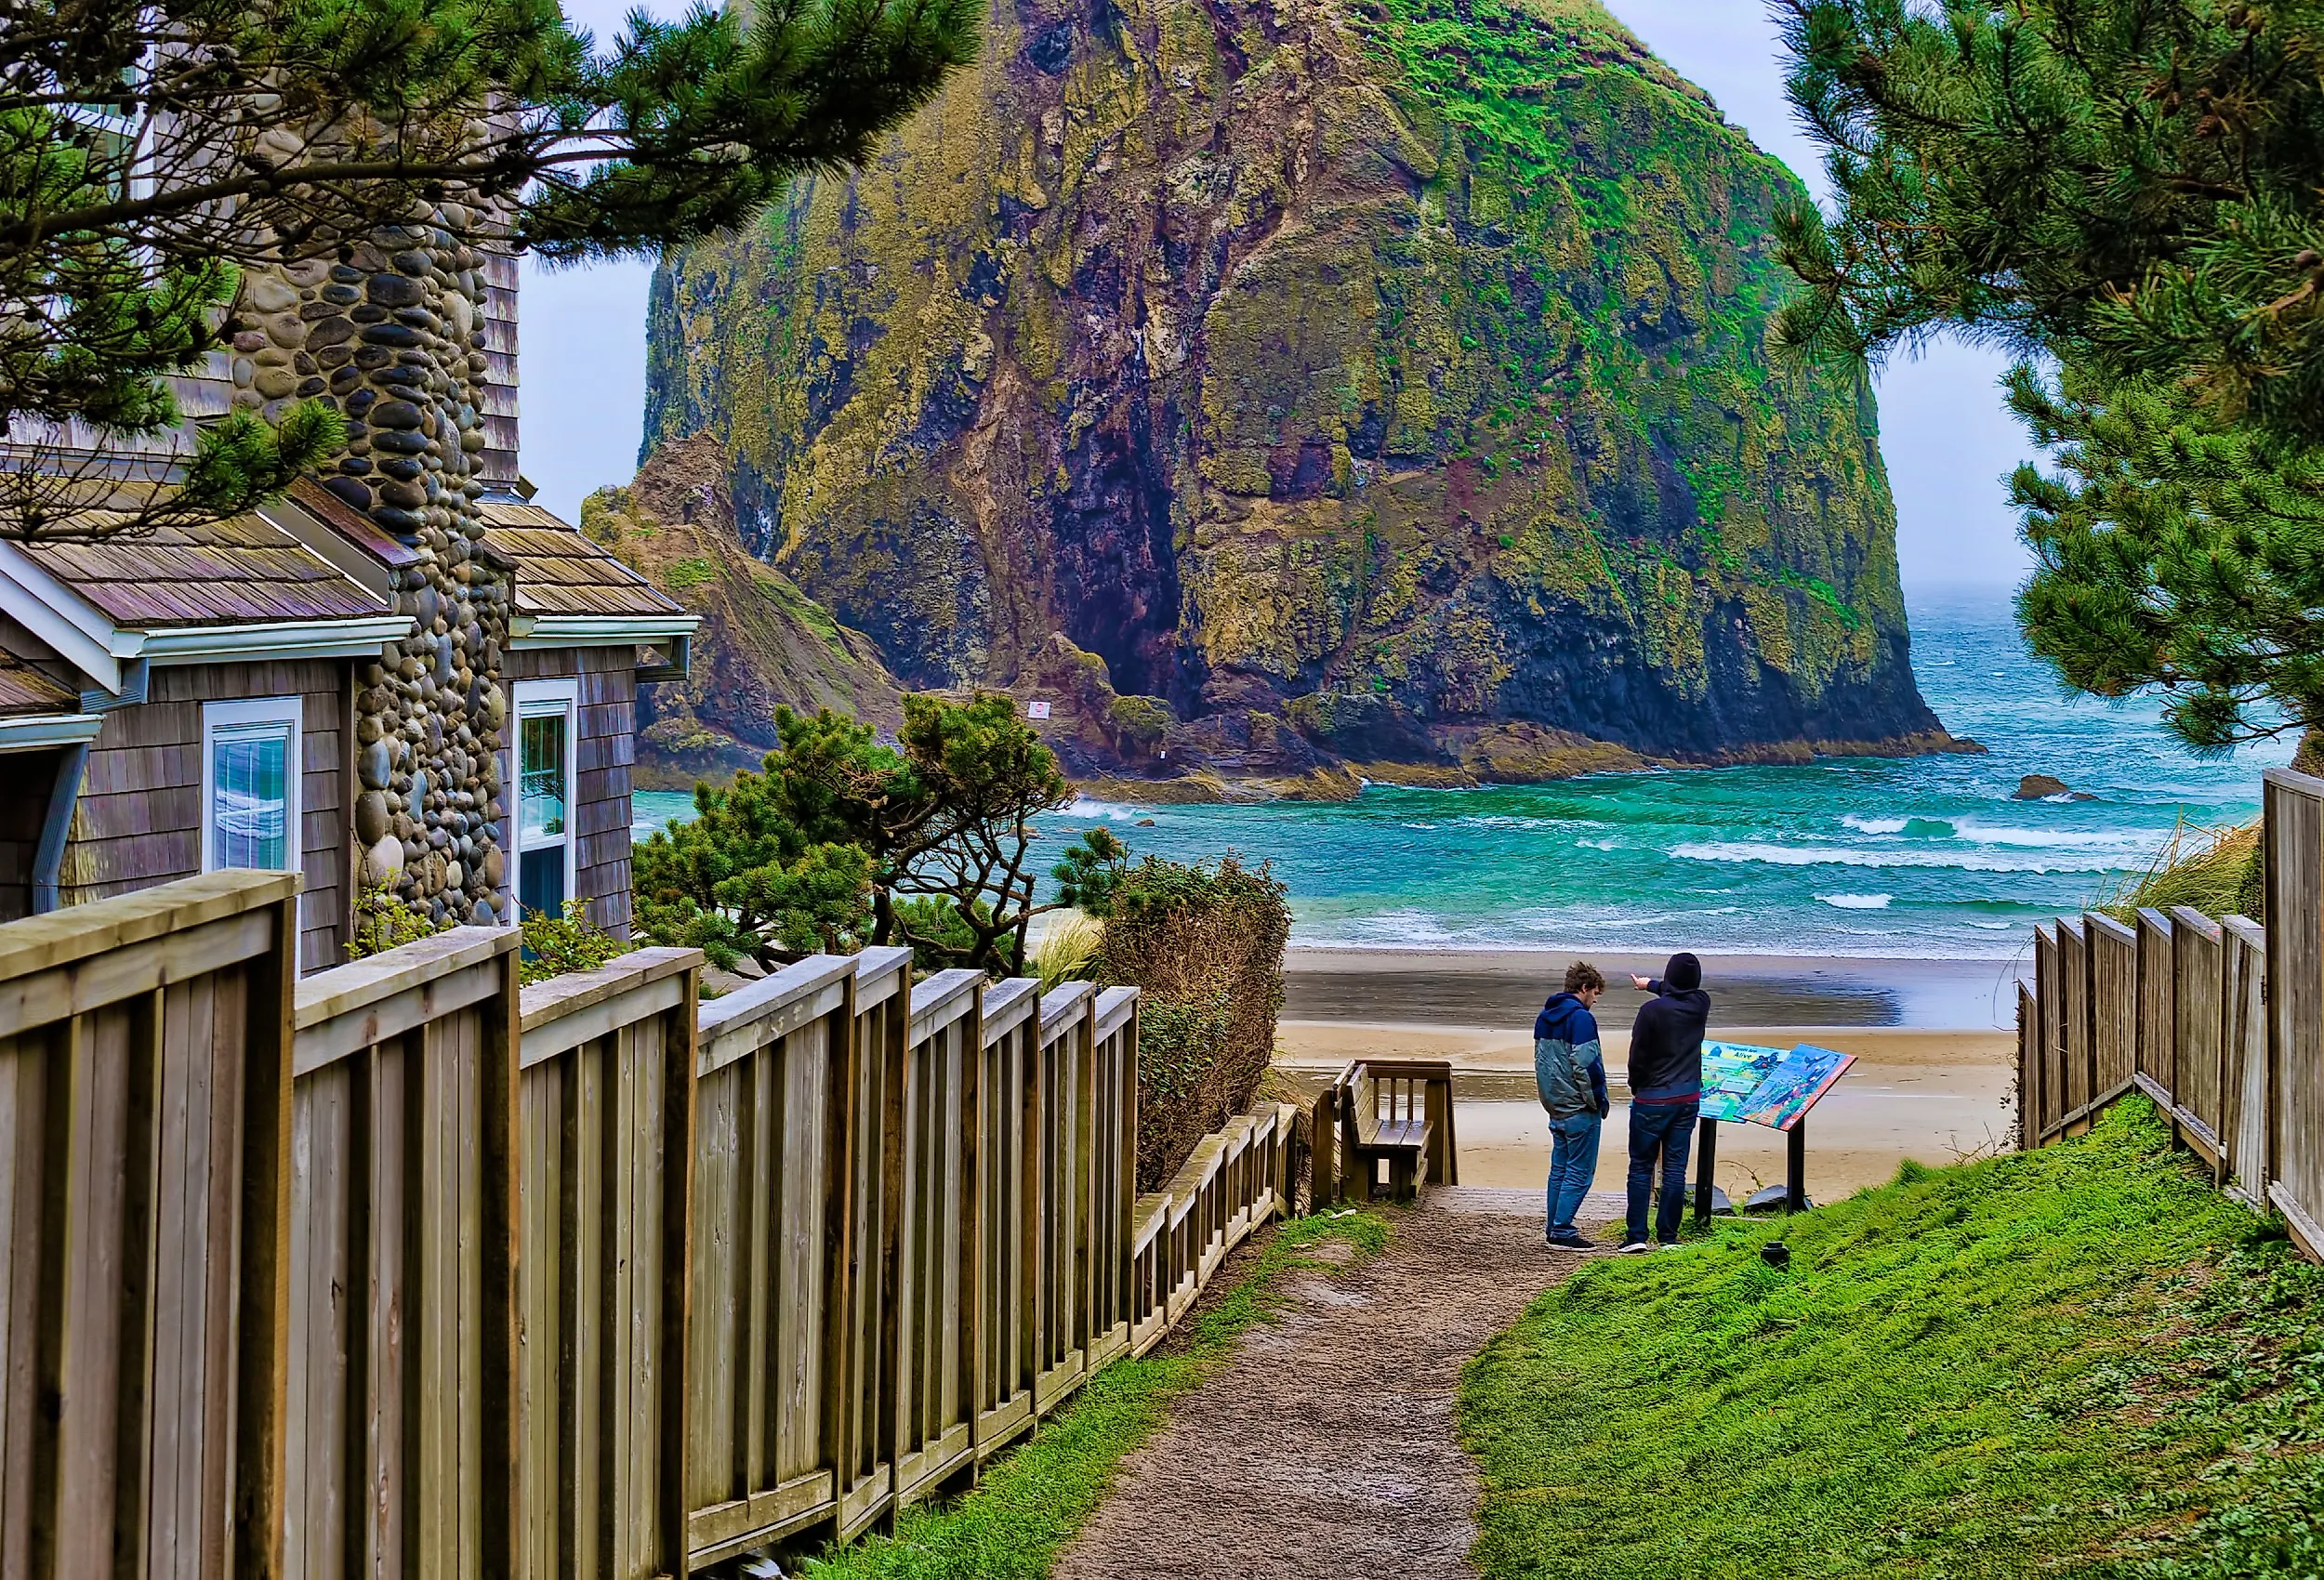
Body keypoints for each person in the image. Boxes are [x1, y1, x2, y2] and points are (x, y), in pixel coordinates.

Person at [1619, 952, 1710, 1253]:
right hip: (1688, 1098)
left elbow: (1638, 1057)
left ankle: (1636, 1236)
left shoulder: (1651, 1012)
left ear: (1669, 977)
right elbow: (1680, 991)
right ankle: (1668, 1237)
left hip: (1653, 1099)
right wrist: (1650, 984)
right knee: (1675, 1168)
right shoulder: (1701, 1005)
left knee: (1641, 1165)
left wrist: (1636, 1087)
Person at [1534, 961, 1611, 1250]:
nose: (1595, 1000)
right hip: (1580, 1106)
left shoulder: (1545, 1016)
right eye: (1595, 994)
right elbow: (1587, 1065)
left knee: (1560, 1168)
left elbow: (1542, 1064)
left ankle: (1554, 1226)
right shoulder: (1581, 1019)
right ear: (1584, 988)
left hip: (1556, 1104)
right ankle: (1562, 1230)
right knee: (1579, 1171)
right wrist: (1598, 1101)